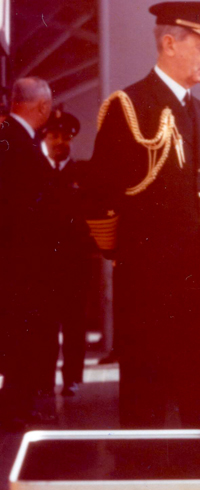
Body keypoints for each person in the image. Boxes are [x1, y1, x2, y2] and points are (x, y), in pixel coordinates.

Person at [85, 2, 200, 430]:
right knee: (148, 392)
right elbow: (99, 197)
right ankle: (145, 489)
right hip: (150, 283)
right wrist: (127, 257)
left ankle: (199, 488)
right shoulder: (129, 105)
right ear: (170, 43)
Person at [0, 77, 58, 430]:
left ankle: (14, 406)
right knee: (21, 337)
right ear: (42, 108)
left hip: (13, 262)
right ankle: (13, 411)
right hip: (22, 264)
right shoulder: (18, 144)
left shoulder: (10, 138)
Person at [41, 108, 95, 398]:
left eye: (65, 137)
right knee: (45, 325)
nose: (60, 142)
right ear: (45, 138)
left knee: (75, 323)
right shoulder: (35, 173)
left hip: (75, 263)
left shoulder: (82, 174)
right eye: (54, 136)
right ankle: (44, 380)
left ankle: (72, 378)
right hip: (43, 264)